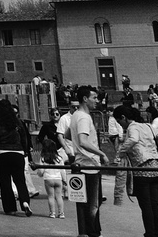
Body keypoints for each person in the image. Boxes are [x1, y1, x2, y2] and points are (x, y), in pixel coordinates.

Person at [116, 104, 158, 237]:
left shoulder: (132, 127)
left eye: (119, 122)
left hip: (141, 169)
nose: (121, 125)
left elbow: (133, 139)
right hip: (156, 167)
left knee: (146, 205)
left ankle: (150, 233)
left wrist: (120, 152)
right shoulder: (147, 126)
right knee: (154, 203)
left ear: (124, 118)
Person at [68, 86, 107, 237]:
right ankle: (93, 232)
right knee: (93, 203)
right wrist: (101, 153)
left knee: (84, 202)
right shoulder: (84, 117)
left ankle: (84, 231)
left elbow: (67, 134)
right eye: (94, 98)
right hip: (89, 165)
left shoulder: (75, 115)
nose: (97, 101)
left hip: (80, 164)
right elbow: (84, 141)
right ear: (85, 99)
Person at [0, 100, 31, 216]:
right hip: (17, 153)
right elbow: (24, 138)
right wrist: (25, 151)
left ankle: (10, 208)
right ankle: (25, 202)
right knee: (20, 180)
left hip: (2, 153)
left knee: (5, 182)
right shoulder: (18, 122)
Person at [35, 116, 67, 219]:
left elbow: (41, 170)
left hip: (48, 178)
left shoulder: (44, 158)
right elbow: (62, 170)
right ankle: (61, 213)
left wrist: (40, 174)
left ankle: (52, 213)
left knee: (50, 196)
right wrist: (64, 180)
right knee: (59, 196)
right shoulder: (58, 158)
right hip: (58, 178)